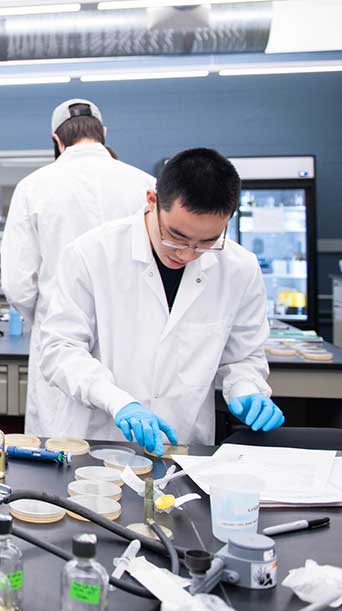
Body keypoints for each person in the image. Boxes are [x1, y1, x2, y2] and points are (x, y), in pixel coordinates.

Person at [38, 148, 285, 454]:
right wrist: (118, 401)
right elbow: (60, 350)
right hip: (97, 443)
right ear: (152, 201)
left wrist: (247, 389)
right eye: (176, 237)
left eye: (207, 242)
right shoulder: (91, 254)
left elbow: (243, 356)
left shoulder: (239, 268)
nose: (187, 253)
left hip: (182, 446)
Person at [0, 98, 157, 435]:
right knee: (131, 456)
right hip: (133, 338)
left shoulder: (33, 187)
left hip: (59, 340)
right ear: (104, 134)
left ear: (57, 140)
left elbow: (16, 285)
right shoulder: (146, 185)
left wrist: (46, 315)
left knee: (59, 457)